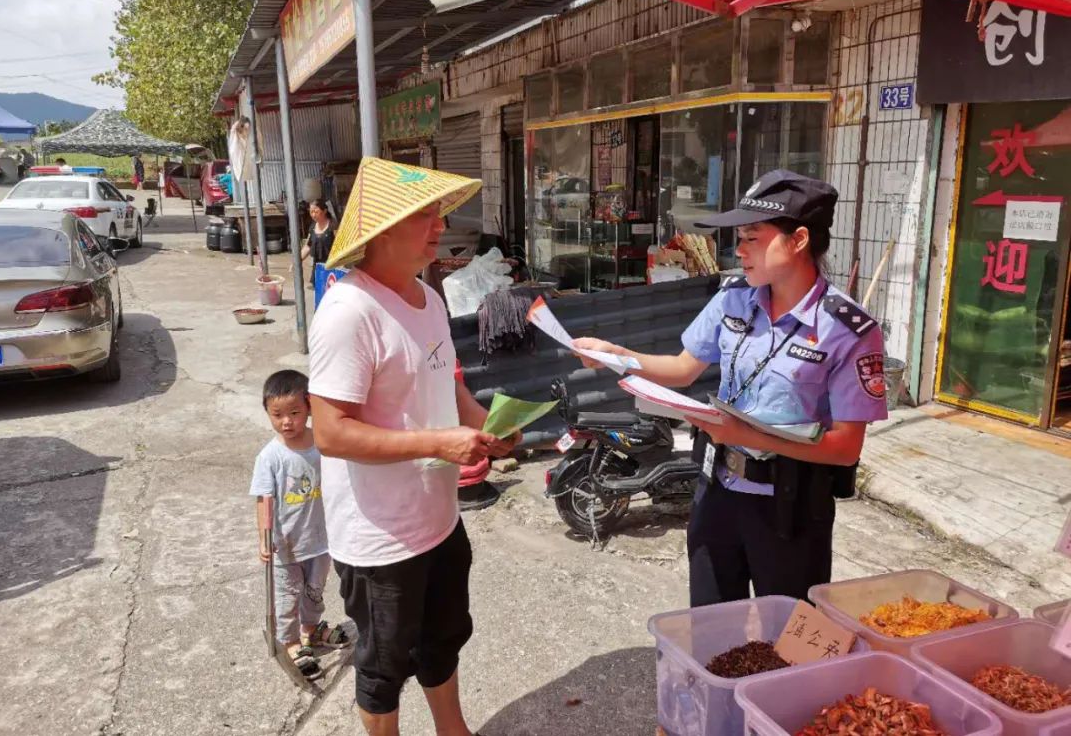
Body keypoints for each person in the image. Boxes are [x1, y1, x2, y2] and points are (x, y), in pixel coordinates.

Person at [575, 169, 888, 606]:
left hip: (790, 506)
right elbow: (683, 368)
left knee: (787, 632)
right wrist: (617, 355)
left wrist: (746, 434)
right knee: (710, 624)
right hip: (716, 491)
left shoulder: (847, 330)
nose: (739, 250)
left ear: (798, 240)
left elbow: (845, 448)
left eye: (752, 238)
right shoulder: (735, 297)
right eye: (739, 239)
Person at [308, 157, 518, 736]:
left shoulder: (429, 298)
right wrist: (438, 443)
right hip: (380, 536)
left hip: (438, 518)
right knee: (384, 665)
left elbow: (451, 387)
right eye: (425, 215)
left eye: (438, 214)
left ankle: (454, 731)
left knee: (443, 639)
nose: (440, 226)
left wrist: (491, 425)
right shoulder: (349, 312)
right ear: (382, 231)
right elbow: (330, 431)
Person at [249, 369, 350, 681]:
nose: (286, 422)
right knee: (287, 595)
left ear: (309, 407)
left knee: (314, 591)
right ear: (267, 412)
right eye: (277, 415)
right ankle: (290, 641)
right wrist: (264, 538)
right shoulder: (270, 457)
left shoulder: (321, 442)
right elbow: (264, 499)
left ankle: (311, 629)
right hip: (286, 545)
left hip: (321, 540)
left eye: (294, 413)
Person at [297, 200, 336, 301]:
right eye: (311, 212)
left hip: (333, 267)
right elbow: (308, 246)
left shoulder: (333, 226)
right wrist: (297, 261)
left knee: (332, 297)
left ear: (324, 211)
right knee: (319, 297)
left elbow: (340, 246)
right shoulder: (312, 227)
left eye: (316, 211)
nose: (313, 215)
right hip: (318, 268)